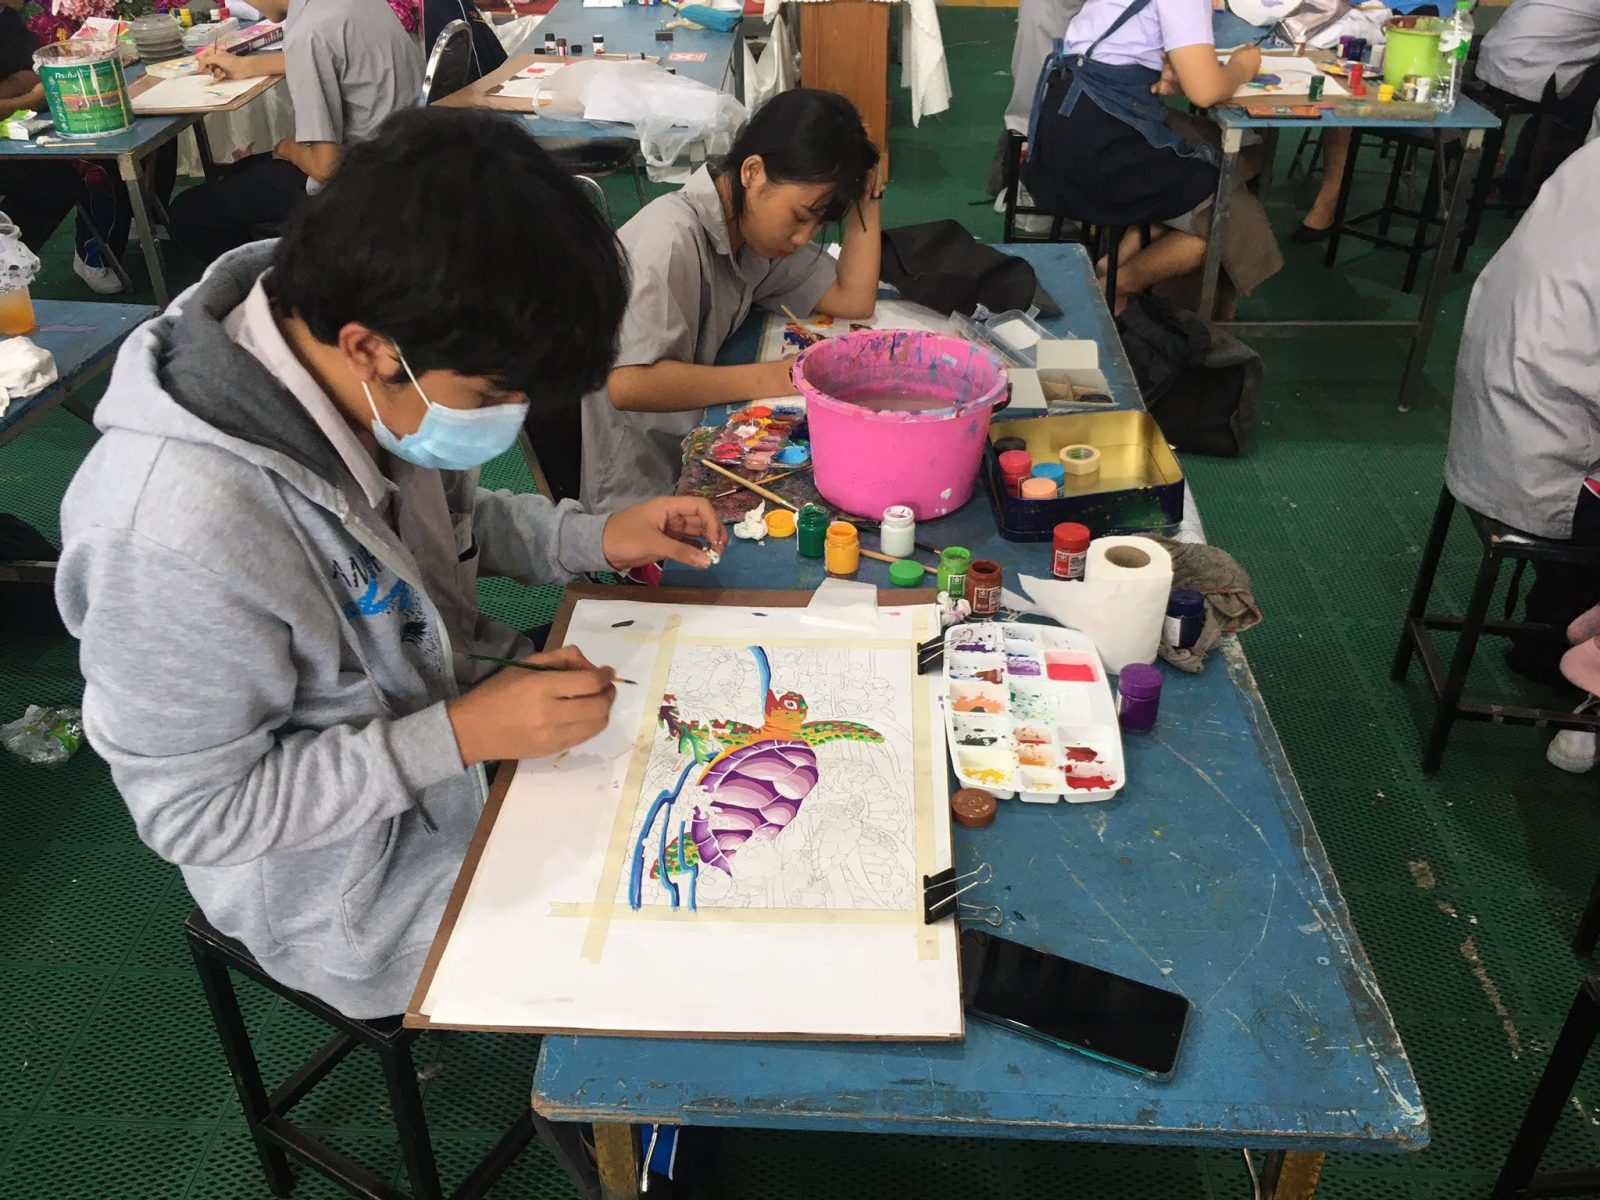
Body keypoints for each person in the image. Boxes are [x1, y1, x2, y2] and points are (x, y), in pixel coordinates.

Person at [54, 107, 728, 1019]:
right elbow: (199, 813)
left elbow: (444, 527)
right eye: (489, 397)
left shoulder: (370, 350)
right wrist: (458, 736)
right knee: (680, 937)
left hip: (454, 718)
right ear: (367, 347)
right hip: (350, 883)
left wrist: (596, 537)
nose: (503, 423)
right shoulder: (170, 532)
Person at [579, 88, 883, 515]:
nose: (802, 238)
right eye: (800, 217)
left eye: (817, 224)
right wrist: (778, 376)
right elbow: (628, 384)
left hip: (703, 452)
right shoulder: (669, 240)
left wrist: (869, 198)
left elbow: (854, 298)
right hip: (641, 496)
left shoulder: (753, 238)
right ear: (753, 172)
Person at [1442, 140, 1600, 770]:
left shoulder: (1590, 156)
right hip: (1547, 448)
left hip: (1499, 414)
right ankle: (1585, 689)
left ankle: (1549, 641)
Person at [1021, 0, 1282, 313]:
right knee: (1227, 221)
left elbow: (1139, 53)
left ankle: (1119, 258)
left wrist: (1179, 75)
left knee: (1229, 146)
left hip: (1064, 132)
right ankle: (1117, 285)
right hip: (1099, 153)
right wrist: (1241, 68)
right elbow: (1206, 92)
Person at [167, 0, 424, 262]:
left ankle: (277, 275)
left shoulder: (308, 30)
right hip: (406, 160)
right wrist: (245, 66)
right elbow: (328, 53)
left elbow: (326, 168)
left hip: (359, 187)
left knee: (189, 212)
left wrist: (287, 148)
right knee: (241, 171)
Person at [0, 0, 173, 293]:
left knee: (144, 127)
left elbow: (29, 73)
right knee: (80, 167)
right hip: (16, 151)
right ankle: (91, 256)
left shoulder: (6, 17)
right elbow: (32, 88)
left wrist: (18, 93)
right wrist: (29, 99)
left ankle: (138, 224)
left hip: (19, 131)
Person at [1476, 0, 1600, 198]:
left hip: (1492, 60)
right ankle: (1552, 185)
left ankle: (1518, 181)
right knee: (1576, 114)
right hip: (1528, 74)